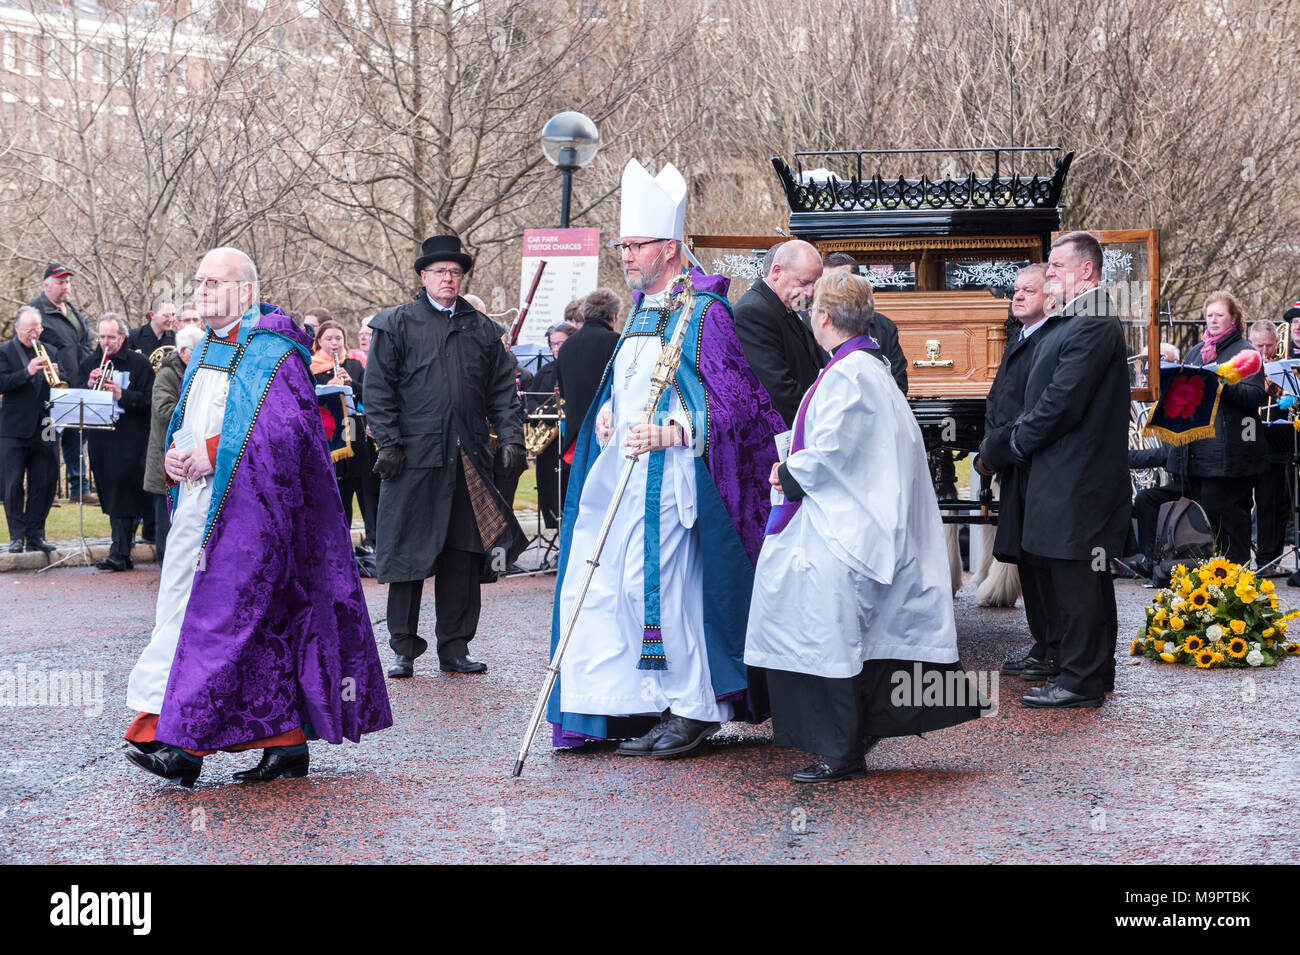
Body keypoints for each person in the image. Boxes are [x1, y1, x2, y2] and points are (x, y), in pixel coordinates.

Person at [122, 246, 392, 787]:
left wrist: (215, 451)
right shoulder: (203, 351)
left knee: (215, 625)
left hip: (255, 517)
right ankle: (285, 743)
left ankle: (177, 742)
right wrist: (178, 451)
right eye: (197, 281)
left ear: (244, 291)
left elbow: (288, 434)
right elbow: (192, 418)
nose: (201, 291)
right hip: (201, 504)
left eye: (213, 283)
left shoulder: (273, 353)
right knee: (248, 629)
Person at [548, 159, 787, 757]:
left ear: (672, 247)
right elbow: (627, 386)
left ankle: (693, 706)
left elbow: (735, 403)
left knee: (660, 591)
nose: (626, 255)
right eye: (623, 245)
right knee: (620, 589)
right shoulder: (641, 313)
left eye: (637, 245)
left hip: (676, 482)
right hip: (625, 478)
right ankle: (650, 701)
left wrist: (677, 431)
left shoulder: (705, 314)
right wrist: (607, 412)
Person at [745, 271, 982, 783]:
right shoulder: (861, 366)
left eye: (812, 309)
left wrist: (788, 472)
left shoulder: (852, 373)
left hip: (843, 529)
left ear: (824, 318)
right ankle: (848, 736)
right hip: (852, 517)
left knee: (831, 636)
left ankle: (840, 747)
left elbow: (834, 452)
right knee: (846, 636)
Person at [366, 234, 526, 679]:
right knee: (408, 555)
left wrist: (511, 437)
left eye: (455, 272)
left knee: (464, 556)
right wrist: (389, 444)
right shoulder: (395, 324)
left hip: (469, 459)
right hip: (413, 459)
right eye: (440, 271)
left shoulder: (483, 330)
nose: (448, 278)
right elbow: (377, 392)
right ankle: (403, 648)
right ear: (423, 276)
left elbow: (503, 394)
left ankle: (454, 648)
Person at [1008, 231, 1130, 708]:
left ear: (1085, 270)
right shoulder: (1078, 319)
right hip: (1071, 474)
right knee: (1082, 577)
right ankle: (1092, 672)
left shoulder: (1093, 321)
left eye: (1056, 266)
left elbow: (1061, 401)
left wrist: (1018, 440)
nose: (1049, 272)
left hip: (1079, 478)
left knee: (1079, 579)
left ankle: (1080, 679)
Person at [975, 265, 1058, 679]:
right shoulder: (1019, 337)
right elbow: (999, 399)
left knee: (1041, 563)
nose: (1018, 296)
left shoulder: (1049, 339)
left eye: (1030, 289)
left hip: (1029, 463)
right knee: (1025, 558)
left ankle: (1053, 650)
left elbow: (1034, 410)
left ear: (1051, 296)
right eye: (1016, 289)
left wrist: (998, 450)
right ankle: (1041, 645)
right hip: (1010, 463)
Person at [1164, 292, 1267, 565]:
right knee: (1199, 521)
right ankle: (1206, 583)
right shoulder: (1196, 352)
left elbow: (1254, 396)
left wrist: (1220, 383)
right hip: (1195, 452)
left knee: (1227, 519)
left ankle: (1236, 581)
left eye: (1220, 315)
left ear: (1233, 318)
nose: (1213, 320)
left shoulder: (1246, 352)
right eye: (1209, 315)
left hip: (1229, 456)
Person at [82, 314, 155, 572]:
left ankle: (120, 551)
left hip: (130, 437)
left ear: (122, 337)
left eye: (111, 337)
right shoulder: (91, 361)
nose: (105, 343)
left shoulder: (139, 363)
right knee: (111, 490)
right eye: (101, 337)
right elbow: (80, 399)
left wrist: (121, 394)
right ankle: (122, 552)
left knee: (125, 489)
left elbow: (150, 400)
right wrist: (88, 386)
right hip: (102, 438)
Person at [732, 239, 827, 426]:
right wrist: (822, 420)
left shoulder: (787, 303)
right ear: (776, 271)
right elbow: (777, 388)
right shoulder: (752, 312)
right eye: (803, 282)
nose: (810, 292)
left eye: (815, 283)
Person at [28, 263, 94, 502]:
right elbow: (28, 346)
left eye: (67, 281)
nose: (65, 285)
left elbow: (85, 345)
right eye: (59, 281)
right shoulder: (35, 311)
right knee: (48, 440)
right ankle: (47, 489)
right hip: (49, 389)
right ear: (46, 285)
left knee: (77, 439)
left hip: (78, 385)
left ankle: (80, 490)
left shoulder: (74, 312)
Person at [310, 320, 376, 553]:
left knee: (366, 487)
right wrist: (328, 386)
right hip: (331, 438)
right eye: (329, 339)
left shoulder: (354, 364)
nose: (335, 343)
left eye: (338, 338)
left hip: (357, 434)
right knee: (341, 489)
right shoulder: (311, 369)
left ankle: (372, 541)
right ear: (319, 341)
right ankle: (341, 542)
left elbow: (369, 395)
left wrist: (351, 383)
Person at [143, 323, 203, 567]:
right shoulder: (168, 374)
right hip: (165, 457)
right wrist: (197, 414)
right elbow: (163, 410)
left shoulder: (196, 372)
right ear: (184, 352)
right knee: (165, 518)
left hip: (188, 456)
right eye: (199, 350)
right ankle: (164, 564)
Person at [0, 306, 59, 554]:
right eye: (29, 330)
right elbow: (3, 383)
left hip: (45, 425)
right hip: (14, 428)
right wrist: (28, 372)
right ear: (16, 329)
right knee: (12, 484)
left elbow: (62, 385)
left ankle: (36, 534)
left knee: (44, 482)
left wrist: (56, 373)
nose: (34, 334)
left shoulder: (51, 351)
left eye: (38, 328)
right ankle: (16, 536)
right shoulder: (4, 352)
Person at [822, 251, 909, 393]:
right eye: (825, 284)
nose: (831, 291)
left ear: (856, 284)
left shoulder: (884, 326)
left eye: (839, 282)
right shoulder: (811, 327)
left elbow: (898, 383)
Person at [555, 287, 622, 460]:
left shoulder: (566, 346)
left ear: (585, 315)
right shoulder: (615, 342)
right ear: (613, 317)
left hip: (574, 437)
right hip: (603, 433)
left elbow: (563, 392)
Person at [530, 321, 576, 529]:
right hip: (548, 445)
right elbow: (530, 399)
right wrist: (541, 413)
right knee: (548, 489)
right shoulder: (545, 372)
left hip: (569, 445)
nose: (556, 348)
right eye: (553, 344)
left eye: (561, 343)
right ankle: (553, 524)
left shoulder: (577, 369)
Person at [127, 295, 177, 360]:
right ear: (152, 315)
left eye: (173, 315)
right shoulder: (132, 337)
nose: (171, 319)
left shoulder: (176, 339)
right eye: (166, 315)